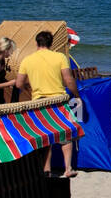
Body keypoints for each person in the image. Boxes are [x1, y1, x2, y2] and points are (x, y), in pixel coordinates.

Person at [16, 30, 78, 176]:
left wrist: (29, 89)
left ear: (37, 43)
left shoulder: (28, 59)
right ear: (51, 44)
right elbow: (69, 80)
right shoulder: (60, 57)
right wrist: (76, 95)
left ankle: (46, 169)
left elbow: (19, 83)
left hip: (39, 102)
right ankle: (68, 169)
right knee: (65, 135)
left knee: (45, 137)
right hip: (58, 101)